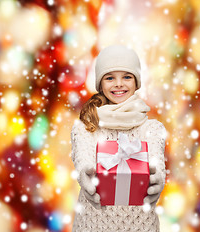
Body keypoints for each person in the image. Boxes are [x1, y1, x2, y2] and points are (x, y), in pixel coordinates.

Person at [71, 45, 167, 232]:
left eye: (127, 77)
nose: (119, 84)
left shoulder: (152, 129)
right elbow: (83, 158)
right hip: (93, 226)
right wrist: (85, 173)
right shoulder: (86, 127)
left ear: (137, 82)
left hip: (140, 226)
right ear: (100, 84)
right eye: (110, 78)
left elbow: (156, 163)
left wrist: (158, 178)